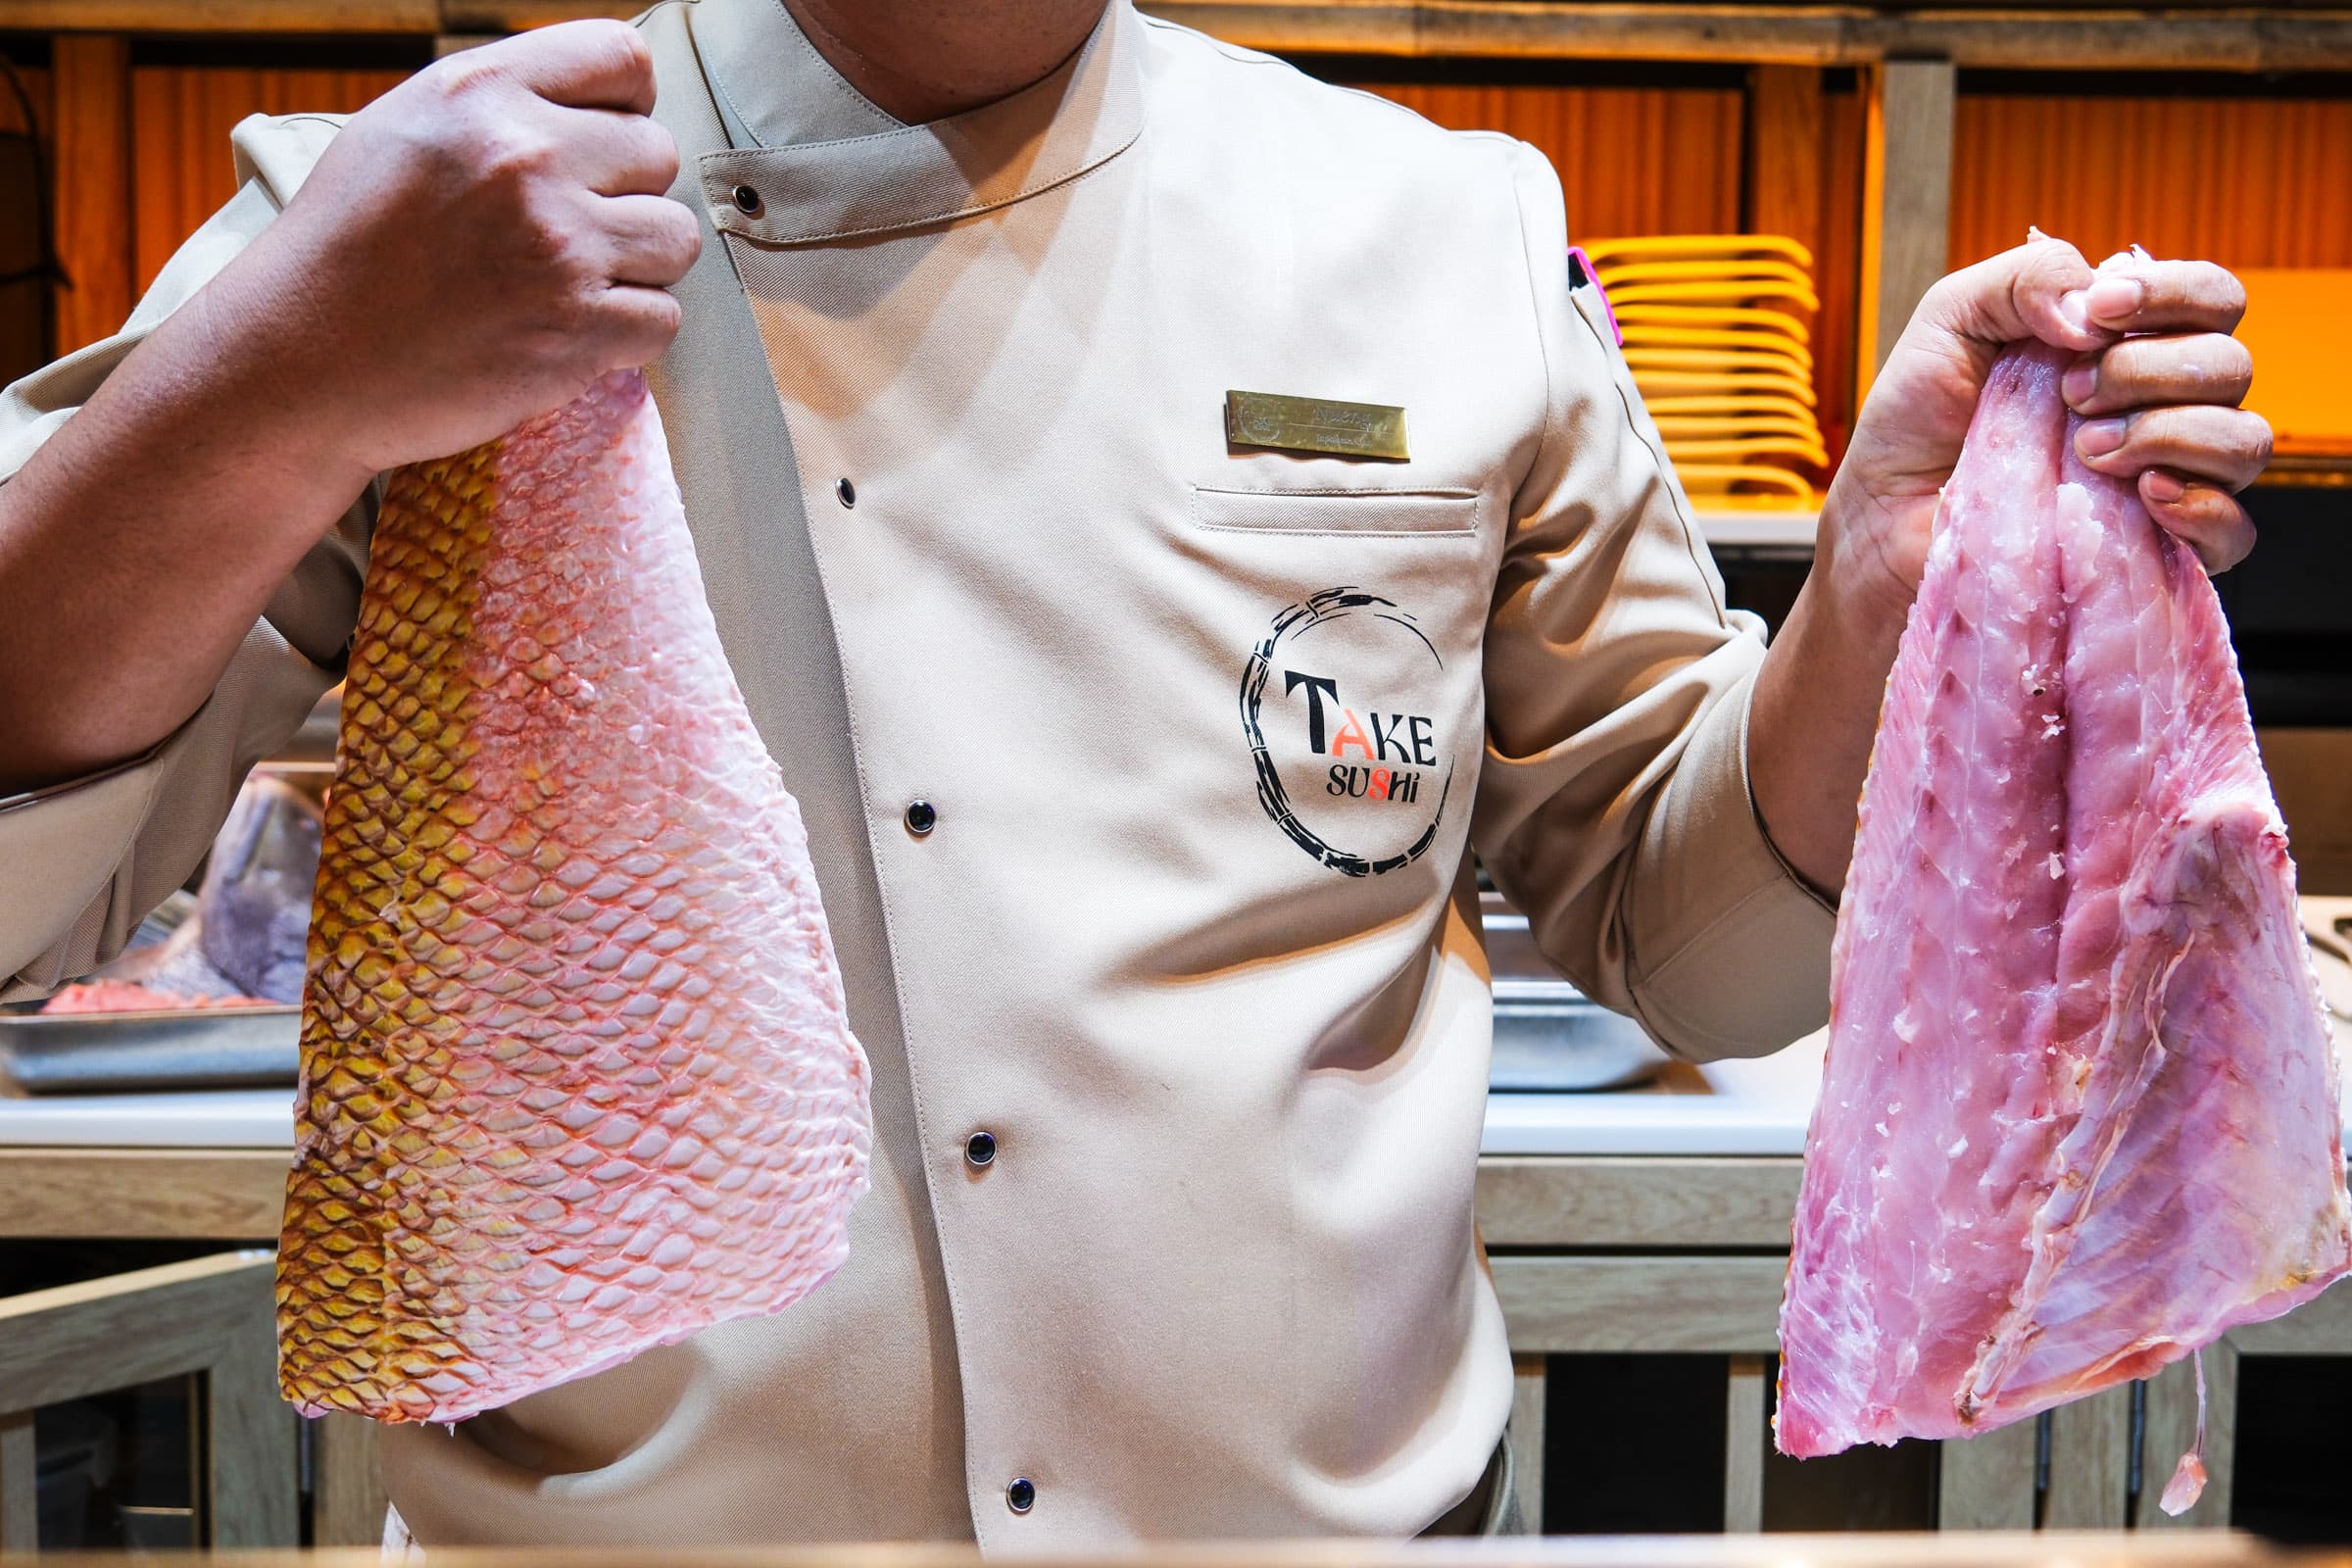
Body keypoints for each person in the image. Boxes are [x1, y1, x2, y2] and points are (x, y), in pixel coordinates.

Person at [0, 0, 2270, 1545]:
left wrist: (1868, 597)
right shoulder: (426, 203)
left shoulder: (1429, 226)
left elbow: (1688, 939)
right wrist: (268, 385)